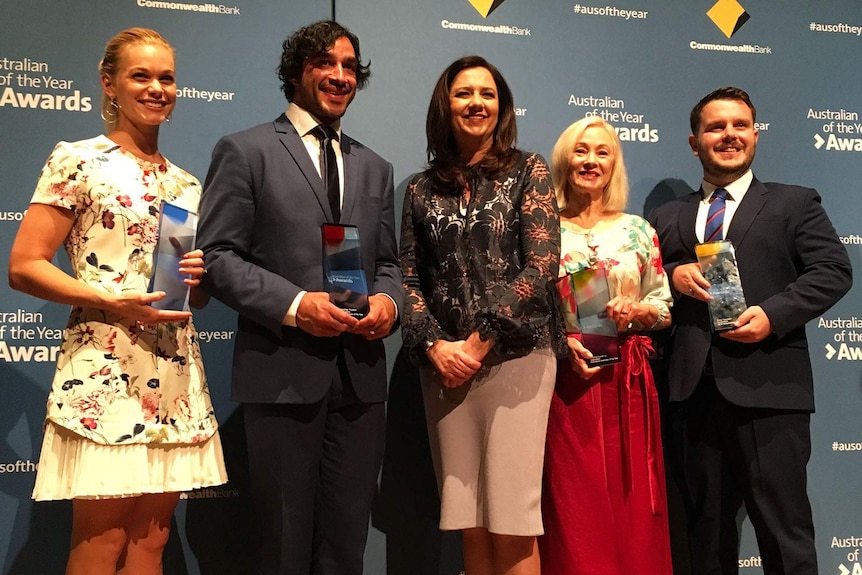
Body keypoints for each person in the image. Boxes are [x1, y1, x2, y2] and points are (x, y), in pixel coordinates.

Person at [7, 27, 226, 575]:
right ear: (109, 84)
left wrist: (195, 280)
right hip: (103, 370)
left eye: (167, 78)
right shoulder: (77, 160)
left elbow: (183, 295)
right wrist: (114, 299)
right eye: (141, 76)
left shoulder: (186, 185)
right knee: (100, 543)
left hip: (174, 372)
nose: (157, 88)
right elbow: (24, 265)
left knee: (151, 544)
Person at [195, 20, 401, 575]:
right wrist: (296, 306)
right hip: (282, 374)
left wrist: (389, 303)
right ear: (295, 73)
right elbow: (217, 257)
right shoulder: (246, 150)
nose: (340, 76)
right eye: (325, 63)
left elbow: (387, 264)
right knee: (284, 542)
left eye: (350, 67)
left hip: (360, 377)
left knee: (346, 541)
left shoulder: (375, 165)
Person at [648, 86, 852, 574]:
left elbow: (832, 270)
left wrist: (773, 315)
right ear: (694, 142)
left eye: (739, 125)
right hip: (691, 394)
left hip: (769, 391)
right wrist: (671, 276)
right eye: (715, 127)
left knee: (785, 533)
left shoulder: (795, 202)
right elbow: (645, 289)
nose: (729, 135)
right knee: (704, 538)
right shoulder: (665, 216)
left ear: (755, 135)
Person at [400, 55, 560, 575]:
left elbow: (540, 268)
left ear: (502, 106)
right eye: (463, 93)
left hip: (516, 360)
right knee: (469, 521)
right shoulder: (419, 189)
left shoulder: (530, 170)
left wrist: (479, 341)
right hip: (445, 371)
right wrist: (433, 346)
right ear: (445, 105)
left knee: (512, 522)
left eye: (487, 94)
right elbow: (407, 278)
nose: (476, 103)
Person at [537, 117, 673, 575]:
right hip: (566, 383)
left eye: (602, 152)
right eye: (581, 151)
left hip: (628, 385)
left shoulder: (638, 230)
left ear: (614, 163)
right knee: (577, 506)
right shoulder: (542, 230)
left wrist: (637, 311)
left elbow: (664, 306)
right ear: (564, 159)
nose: (590, 161)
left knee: (632, 502)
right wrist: (563, 342)